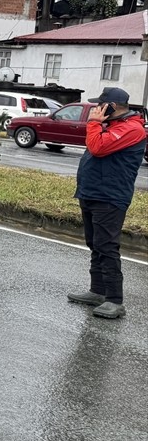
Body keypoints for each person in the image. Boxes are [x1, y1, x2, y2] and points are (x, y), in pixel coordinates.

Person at [68, 86, 146, 319]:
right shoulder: (110, 126)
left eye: (99, 105)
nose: (95, 108)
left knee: (107, 246)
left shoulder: (132, 129)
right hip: (91, 192)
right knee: (94, 243)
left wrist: (93, 124)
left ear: (111, 107)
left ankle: (115, 300)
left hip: (110, 197)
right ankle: (98, 291)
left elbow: (98, 148)